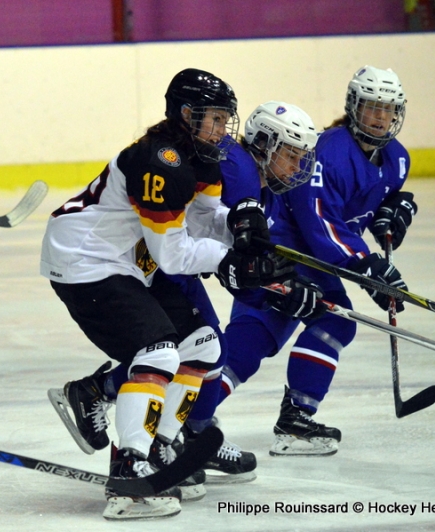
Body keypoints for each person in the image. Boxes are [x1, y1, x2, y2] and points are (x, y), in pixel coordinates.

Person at [41, 68, 291, 520]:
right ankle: (130, 468)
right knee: (157, 351)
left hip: (128, 260)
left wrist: (240, 227)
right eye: (216, 119)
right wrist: (229, 261)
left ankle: (159, 446)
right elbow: (173, 255)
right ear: (187, 114)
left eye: (225, 119)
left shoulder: (202, 156)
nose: (223, 129)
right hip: (84, 259)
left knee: (203, 344)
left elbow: (204, 220)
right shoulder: (160, 161)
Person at [210, 65, 414, 456]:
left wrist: (393, 209)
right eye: (372, 107)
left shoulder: (398, 160)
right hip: (285, 245)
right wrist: (364, 264)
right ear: (354, 106)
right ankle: (196, 418)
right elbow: (317, 219)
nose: (380, 117)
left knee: (279, 332)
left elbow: (365, 200)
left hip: (309, 254)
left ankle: (209, 416)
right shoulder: (328, 152)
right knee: (270, 333)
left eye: (388, 109)